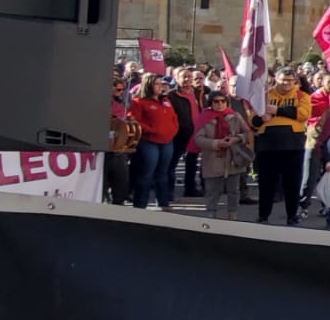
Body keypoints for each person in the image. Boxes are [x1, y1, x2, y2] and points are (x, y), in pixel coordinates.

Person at [253, 72, 312, 226]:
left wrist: (277, 110)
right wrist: (260, 118)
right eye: (283, 80)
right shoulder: (264, 95)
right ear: (276, 80)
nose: (286, 83)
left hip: (292, 145)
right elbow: (252, 119)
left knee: (292, 184)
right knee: (266, 184)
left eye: (289, 80)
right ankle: (263, 215)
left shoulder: (302, 96)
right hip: (267, 145)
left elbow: (303, 114)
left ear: (295, 81)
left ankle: (292, 215)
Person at [191, 95, 255, 221]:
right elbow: (198, 139)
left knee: (233, 190)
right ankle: (211, 214)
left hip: (233, 158)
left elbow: (247, 133)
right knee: (212, 190)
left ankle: (232, 214)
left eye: (223, 101)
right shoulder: (204, 118)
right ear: (211, 103)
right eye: (216, 101)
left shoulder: (235, 116)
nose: (220, 104)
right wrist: (217, 143)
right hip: (213, 158)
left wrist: (236, 139)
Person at [126, 75, 180, 210]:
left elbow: (174, 117)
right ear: (149, 85)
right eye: (156, 84)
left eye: (160, 84)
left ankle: (163, 202)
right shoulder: (139, 102)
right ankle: (140, 204)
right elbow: (134, 120)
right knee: (146, 174)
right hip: (149, 142)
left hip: (167, 141)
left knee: (163, 173)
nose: (160, 86)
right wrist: (151, 129)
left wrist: (173, 130)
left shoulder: (166, 100)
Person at [105, 74, 138, 205]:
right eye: (118, 90)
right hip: (106, 148)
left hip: (120, 147)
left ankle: (118, 202)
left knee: (121, 182)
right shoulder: (103, 103)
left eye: (123, 90)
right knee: (106, 181)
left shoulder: (122, 104)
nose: (121, 92)